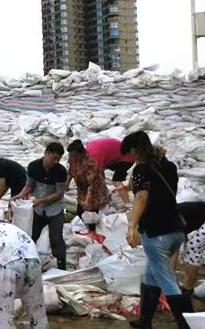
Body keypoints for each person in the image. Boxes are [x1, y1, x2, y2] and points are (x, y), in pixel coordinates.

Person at [123, 130, 193, 328]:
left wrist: (132, 226)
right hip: (176, 230)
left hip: (156, 233)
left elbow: (141, 197)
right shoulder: (168, 165)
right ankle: (145, 321)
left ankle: (188, 325)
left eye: (130, 153)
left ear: (135, 150)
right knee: (151, 275)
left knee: (168, 281)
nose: (131, 159)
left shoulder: (140, 171)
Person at [13, 142, 68, 270]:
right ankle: (25, 263)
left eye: (58, 160)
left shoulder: (60, 171)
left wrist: (41, 200)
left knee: (56, 239)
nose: (55, 162)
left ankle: (61, 268)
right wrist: (20, 195)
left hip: (55, 210)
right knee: (31, 236)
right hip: (38, 210)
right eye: (53, 158)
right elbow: (30, 186)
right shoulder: (33, 166)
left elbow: (59, 194)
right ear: (46, 153)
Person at [67, 140, 111, 232]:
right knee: (80, 212)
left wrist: (88, 201)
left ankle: (92, 233)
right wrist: (66, 184)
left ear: (81, 154)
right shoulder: (73, 159)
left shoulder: (91, 164)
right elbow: (70, 171)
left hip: (94, 192)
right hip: (82, 190)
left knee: (91, 215)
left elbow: (92, 185)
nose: (71, 157)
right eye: (70, 155)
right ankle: (82, 231)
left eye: (73, 155)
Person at [85, 137, 135, 204]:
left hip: (126, 159)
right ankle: (105, 195)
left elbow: (98, 175)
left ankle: (128, 205)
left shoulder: (95, 158)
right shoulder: (88, 151)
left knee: (116, 181)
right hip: (118, 154)